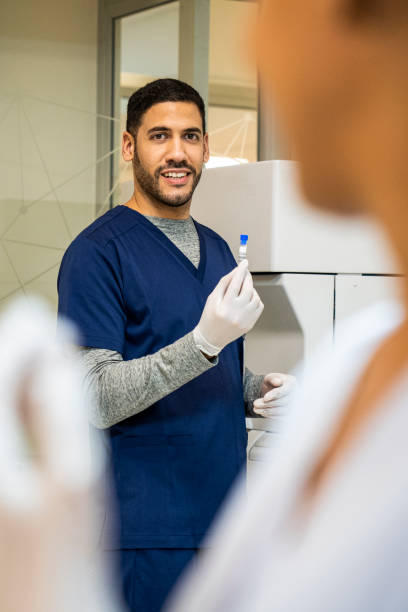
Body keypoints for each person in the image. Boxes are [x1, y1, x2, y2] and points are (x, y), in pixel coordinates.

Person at [165, 1, 408, 611]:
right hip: (155, 514)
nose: (253, 48)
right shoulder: (352, 360)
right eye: (162, 135)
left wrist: (237, 376)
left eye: (274, 9)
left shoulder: (217, 248)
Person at [57, 78, 296, 612]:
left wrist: (258, 390)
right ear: (129, 147)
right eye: (159, 135)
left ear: (207, 148)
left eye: (190, 136)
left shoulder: (215, 248)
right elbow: (93, 395)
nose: (177, 152)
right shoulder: (97, 254)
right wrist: (205, 341)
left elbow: (210, 373)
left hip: (228, 521)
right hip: (147, 528)